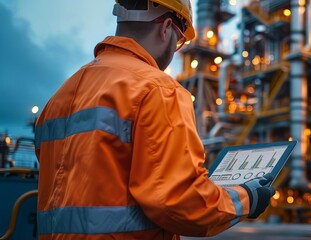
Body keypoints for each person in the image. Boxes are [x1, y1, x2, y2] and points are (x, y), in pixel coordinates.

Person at [33, 0, 275, 239]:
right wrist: (247, 198)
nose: (175, 49)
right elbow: (180, 202)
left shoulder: (58, 98)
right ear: (166, 27)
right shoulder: (157, 89)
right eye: (180, 41)